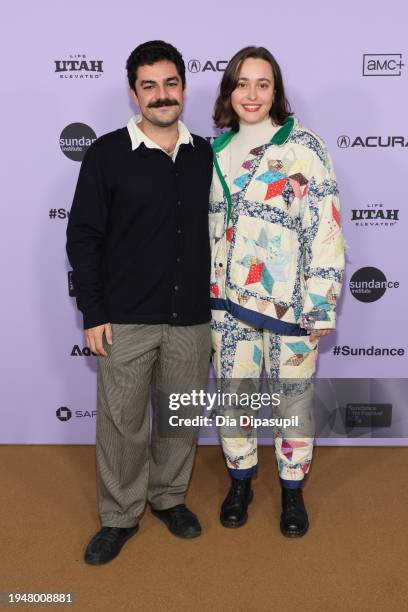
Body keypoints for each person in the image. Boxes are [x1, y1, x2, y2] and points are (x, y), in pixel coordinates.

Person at [66, 40, 213, 565]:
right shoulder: (107, 153)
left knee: (178, 417)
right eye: (148, 86)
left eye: (170, 83)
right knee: (122, 423)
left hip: (192, 318)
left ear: (184, 87)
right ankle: (119, 515)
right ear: (134, 94)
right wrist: (94, 311)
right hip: (124, 318)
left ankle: (169, 497)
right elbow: (83, 236)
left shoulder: (207, 154)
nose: (161, 95)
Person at [209, 46, 345, 536]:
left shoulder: (305, 147)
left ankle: (292, 493)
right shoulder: (213, 152)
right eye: (242, 83)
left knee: (293, 403)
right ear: (229, 90)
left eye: (262, 84)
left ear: (276, 91)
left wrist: (320, 304)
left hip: (291, 308)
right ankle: (241, 482)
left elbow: (326, 229)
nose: (252, 94)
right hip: (226, 306)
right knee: (234, 398)